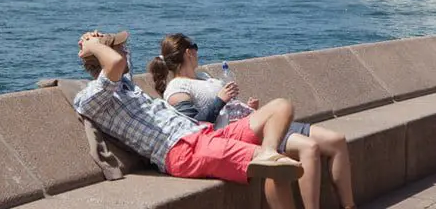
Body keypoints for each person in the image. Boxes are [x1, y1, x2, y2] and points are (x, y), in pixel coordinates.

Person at [73, 31, 302, 209]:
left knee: (281, 107)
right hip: (181, 149)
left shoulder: (125, 85)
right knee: (279, 167)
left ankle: (268, 151)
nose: (126, 50)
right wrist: (93, 45)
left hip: (204, 133)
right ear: (104, 58)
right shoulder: (91, 98)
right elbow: (115, 63)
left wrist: (94, 39)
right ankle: (268, 157)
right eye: (120, 48)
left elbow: (119, 62)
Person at [149, 34, 355, 209]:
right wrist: (220, 100)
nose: (197, 52)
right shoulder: (177, 88)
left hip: (254, 121)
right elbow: (192, 126)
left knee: (336, 141)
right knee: (309, 147)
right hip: (238, 133)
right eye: (195, 47)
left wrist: (247, 107)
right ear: (188, 52)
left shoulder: (203, 77)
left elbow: (228, 107)